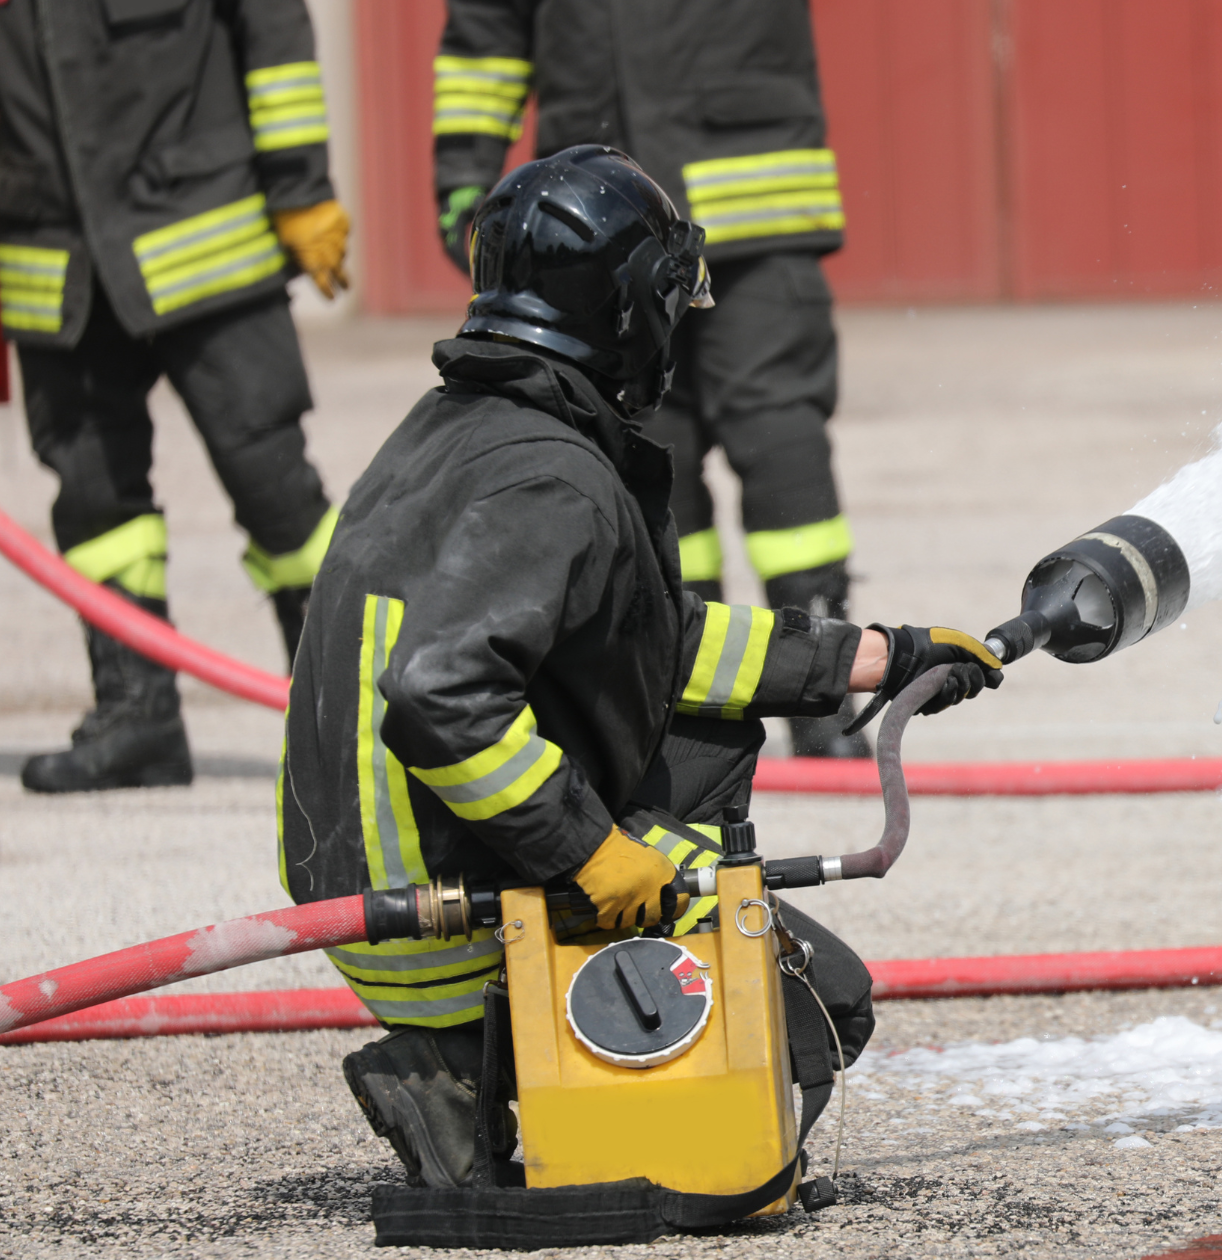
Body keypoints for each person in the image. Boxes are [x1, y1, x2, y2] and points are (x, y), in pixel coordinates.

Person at [274, 147, 1000, 1187]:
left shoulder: (463, 428)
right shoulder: (549, 478)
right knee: (818, 1009)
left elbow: (644, 639)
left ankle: (486, 1054)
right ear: (624, 307)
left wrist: (874, 658)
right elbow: (442, 702)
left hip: (377, 880)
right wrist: (585, 853)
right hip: (441, 913)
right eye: (669, 296)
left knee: (701, 751)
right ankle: (462, 1065)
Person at [431, 0, 868, 758]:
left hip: (746, 188)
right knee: (645, 439)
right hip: (603, 212)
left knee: (775, 425)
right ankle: (690, 690)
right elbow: (487, 37)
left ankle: (819, 684)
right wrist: (467, 179)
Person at [0, 0, 351, 793]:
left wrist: (300, 187)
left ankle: (340, 722)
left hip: (204, 234)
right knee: (93, 500)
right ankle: (136, 716)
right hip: (57, 256)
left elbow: (274, 32)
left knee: (274, 485)